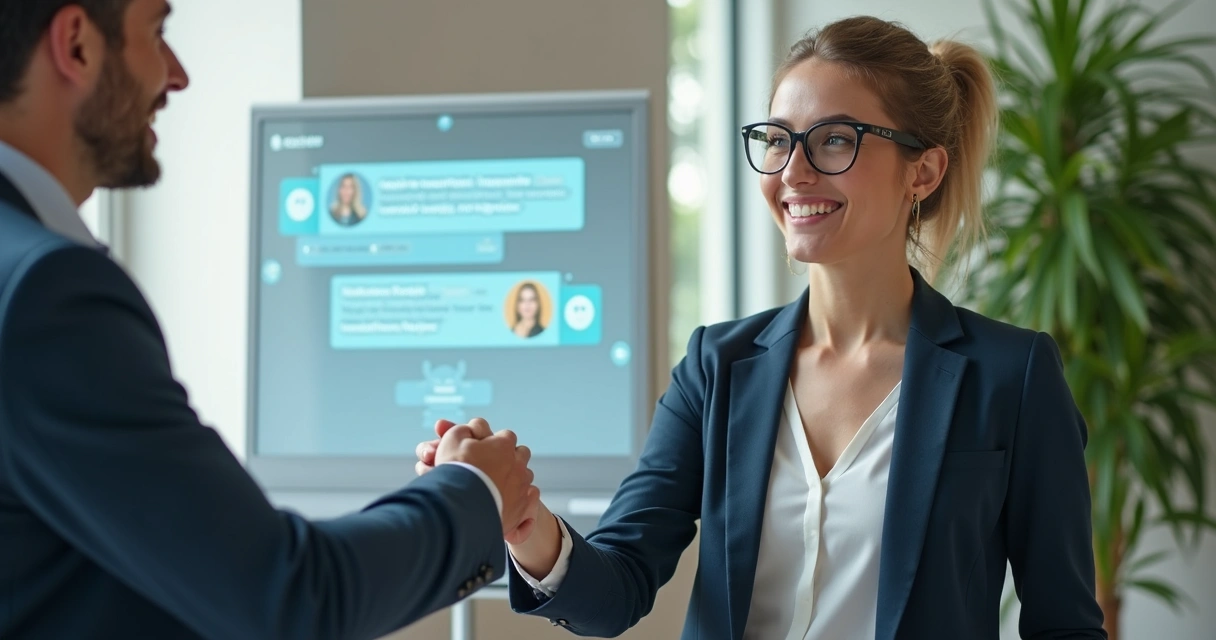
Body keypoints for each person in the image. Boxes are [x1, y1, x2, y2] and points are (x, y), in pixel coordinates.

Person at [417, 15, 1106, 640]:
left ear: (922, 170)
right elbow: (618, 587)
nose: (793, 172)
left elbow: (1064, 625)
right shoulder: (717, 366)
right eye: (776, 141)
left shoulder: (1009, 377)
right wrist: (522, 521)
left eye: (835, 139)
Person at [0, 1, 538, 638]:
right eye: (157, 32)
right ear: (78, 45)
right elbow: (296, 598)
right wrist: (474, 488)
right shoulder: (46, 294)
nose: (177, 75)